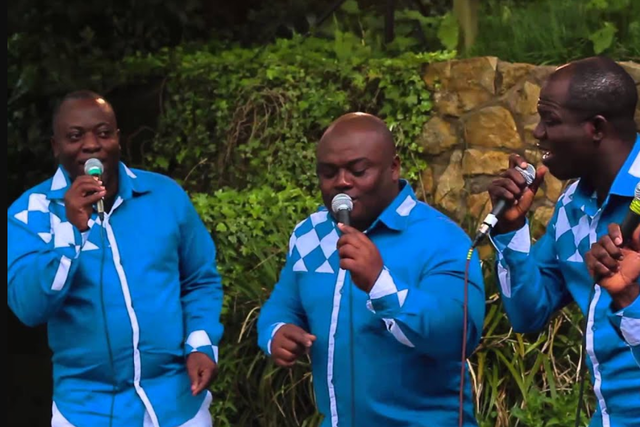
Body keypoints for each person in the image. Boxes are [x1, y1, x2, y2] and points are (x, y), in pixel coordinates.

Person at [7, 90, 224, 427]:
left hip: (177, 404)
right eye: (75, 136)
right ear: (55, 146)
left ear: (118, 139)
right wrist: (70, 231)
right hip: (86, 410)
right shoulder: (29, 213)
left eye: (103, 133)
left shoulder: (164, 195)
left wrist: (201, 342)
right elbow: (29, 308)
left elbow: (199, 279)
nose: (92, 145)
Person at [257, 112, 486, 426]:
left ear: (393, 168)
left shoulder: (441, 238)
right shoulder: (310, 234)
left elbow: (458, 335)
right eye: (328, 173)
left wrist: (380, 283)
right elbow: (282, 306)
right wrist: (277, 332)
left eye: (358, 171)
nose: (342, 182)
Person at [486, 56, 640, 426]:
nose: (537, 132)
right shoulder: (573, 205)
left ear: (596, 128)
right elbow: (528, 314)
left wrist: (630, 300)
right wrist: (510, 229)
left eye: (550, 120)